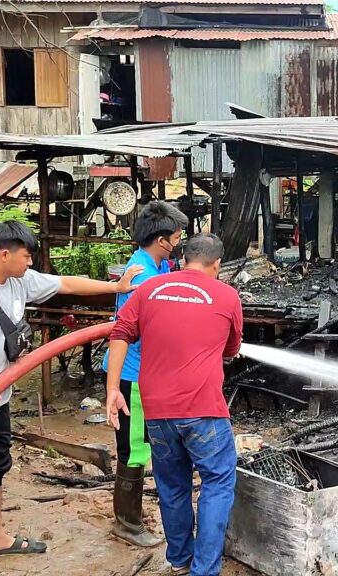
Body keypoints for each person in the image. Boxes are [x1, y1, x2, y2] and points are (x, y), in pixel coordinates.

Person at [0, 221, 144, 576]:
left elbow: (65, 283)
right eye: (26, 256)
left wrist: (116, 287)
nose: (30, 263)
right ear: (4, 254)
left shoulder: (19, 281)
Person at [106, 233, 242, 576]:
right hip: (204, 410)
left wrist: (113, 390)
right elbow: (231, 349)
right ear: (217, 264)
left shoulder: (149, 289)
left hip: (158, 412)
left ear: (182, 259)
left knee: (172, 486)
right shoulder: (227, 295)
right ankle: (204, 570)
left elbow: (119, 333)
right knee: (217, 483)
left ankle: (180, 560)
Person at [102, 200, 189, 547]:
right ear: (161, 240)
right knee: (134, 447)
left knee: (144, 443)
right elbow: (128, 332)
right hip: (132, 375)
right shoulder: (141, 277)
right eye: (177, 237)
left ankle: (133, 515)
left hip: (148, 372)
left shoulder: (158, 264)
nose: (180, 242)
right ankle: (127, 523)